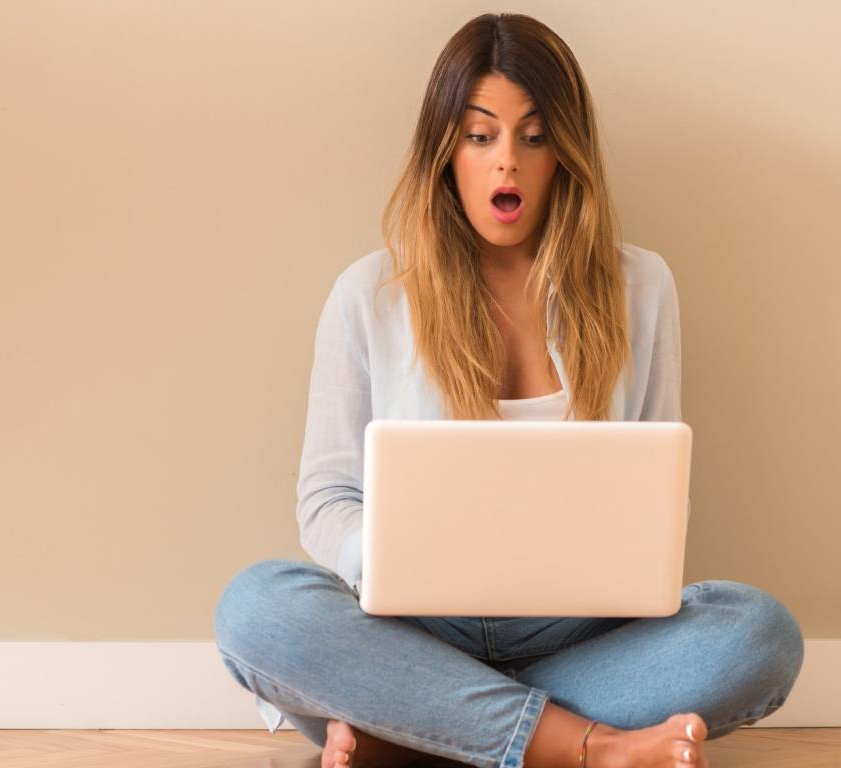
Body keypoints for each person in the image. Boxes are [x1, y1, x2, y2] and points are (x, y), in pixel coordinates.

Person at [213, 12, 804, 768]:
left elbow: (663, 492)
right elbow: (325, 502)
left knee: (762, 634)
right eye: (480, 135)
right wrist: (394, 556)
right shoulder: (369, 294)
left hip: (584, 639)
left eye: (534, 136)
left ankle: (421, 728)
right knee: (257, 607)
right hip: (414, 630)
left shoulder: (642, 287)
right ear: (444, 150)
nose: (507, 165)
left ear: (566, 152)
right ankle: (586, 745)